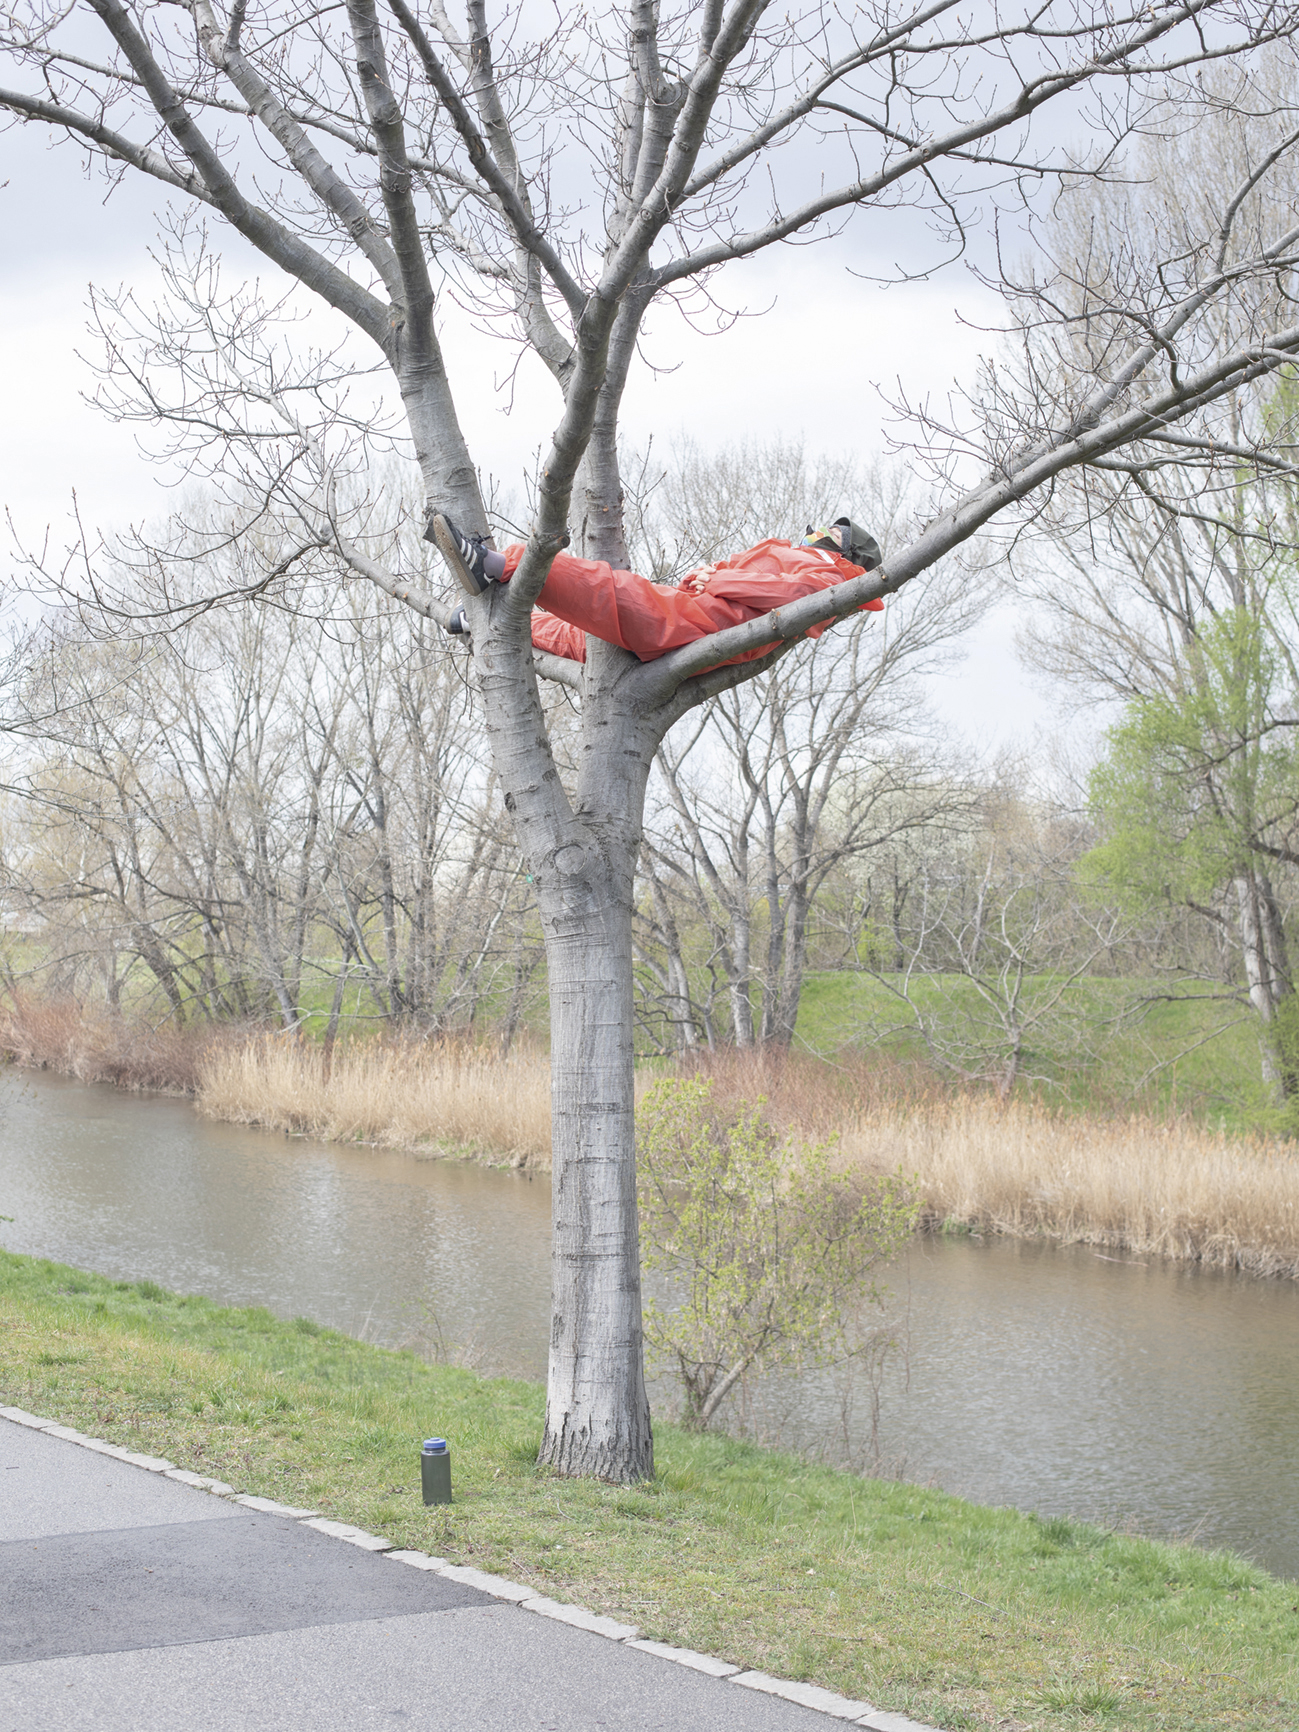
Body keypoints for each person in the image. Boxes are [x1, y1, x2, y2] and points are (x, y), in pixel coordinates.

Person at [426, 512, 884, 669]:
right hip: (706, 616)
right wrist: (710, 575)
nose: (812, 532)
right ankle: (486, 620)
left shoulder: (833, 574)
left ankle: (493, 566)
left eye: (824, 530)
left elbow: (793, 594)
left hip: (708, 622)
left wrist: (716, 581)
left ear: (840, 546)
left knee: (612, 591)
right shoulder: (817, 564)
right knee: (591, 638)